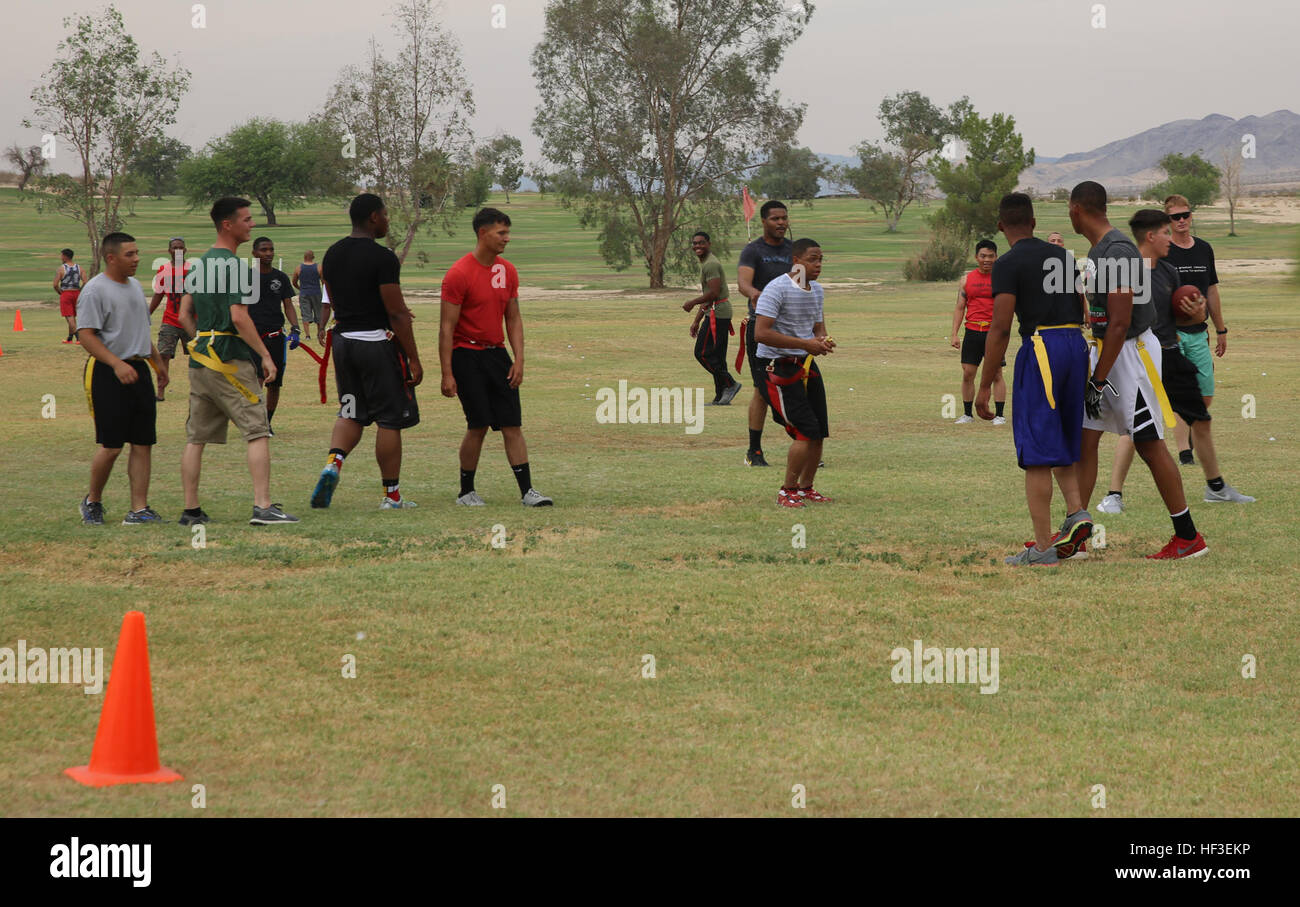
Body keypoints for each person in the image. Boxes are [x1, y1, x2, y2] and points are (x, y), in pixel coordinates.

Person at [1069, 181, 1206, 559]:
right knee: (1085, 440)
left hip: (1129, 357)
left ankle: (1188, 536)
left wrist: (1097, 381)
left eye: (1069, 210)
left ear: (1077, 209)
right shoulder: (1101, 250)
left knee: (1149, 444)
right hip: (1108, 353)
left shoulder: (1117, 250)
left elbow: (1119, 322)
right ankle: (1076, 534)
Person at [1097, 210, 1253, 513]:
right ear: (1151, 236)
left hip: (1169, 354)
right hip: (1140, 358)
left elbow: (1178, 318)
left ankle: (1216, 487)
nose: (1172, 238)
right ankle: (1113, 496)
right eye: (1166, 233)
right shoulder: (1126, 273)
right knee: (1136, 428)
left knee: (1201, 420)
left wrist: (1196, 314)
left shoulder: (1169, 272)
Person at [976, 194, 1091, 566]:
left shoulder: (1007, 264)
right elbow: (1079, 305)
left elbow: (1000, 327)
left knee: (1037, 451)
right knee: (1060, 436)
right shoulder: (1062, 256)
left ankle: (1042, 548)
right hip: (1076, 345)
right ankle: (1077, 513)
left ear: (1000, 226)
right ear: (1034, 220)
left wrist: (984, 385)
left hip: (1043, 347)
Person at [178, 196, 298, 526]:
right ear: (227, 225)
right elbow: (240, 318)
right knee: (257, 431)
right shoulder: (236, 268)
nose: (252, 224)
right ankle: (263, 507)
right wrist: (263, 356)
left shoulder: (200, 265)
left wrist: (200, 343)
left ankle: (191, 510)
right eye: (246, 219)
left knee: (196, 438)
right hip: (231, 361)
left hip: (201, 362)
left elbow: (183, 314)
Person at [311, 193, 422, 511]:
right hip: (375, 344)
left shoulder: (331, 255)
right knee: (389, 419)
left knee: (350, 411)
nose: (388, 220)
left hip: (343, 342)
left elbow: (336, 298)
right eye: (385, 215)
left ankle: (333, 463)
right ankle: (392, 496)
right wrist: (413, 357)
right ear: (373, 217)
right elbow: (397, 314)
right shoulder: (382, 258)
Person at [440, 207, 552, 507]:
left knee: (512, 424)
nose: (507, 239)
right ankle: (466, 492)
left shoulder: (508, 270)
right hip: (466, 355)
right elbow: (446, 327)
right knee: (477, 424)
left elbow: (513, 318)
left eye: (507, 232)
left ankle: (528, 491)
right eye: (501, 233)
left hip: (497, 355)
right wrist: (447, 373)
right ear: (482, 233)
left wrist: (519, 359)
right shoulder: (458, 273)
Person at [76, 232, 169, 525]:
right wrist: (116, 364)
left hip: (139, 371)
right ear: (111, 257)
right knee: (112, 444)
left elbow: (140, 329)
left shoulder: (133, 288)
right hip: (107, 372)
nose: (137, 259)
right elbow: (86, 335)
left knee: (143, 442)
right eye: (130, 254)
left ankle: (138, 510)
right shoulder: (95, 290)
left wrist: (157, 364)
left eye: (137, 252)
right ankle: (93, 501)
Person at [752, 238, 834, 508]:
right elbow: (761, 333)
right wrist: (805, 344)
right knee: (805, 430)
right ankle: (787, 490)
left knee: (819, 429)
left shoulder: (817, 290)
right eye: (813, 259)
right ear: (796, 261)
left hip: (806, 365)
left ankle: (806, 488)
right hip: (777, 367)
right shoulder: (777, 289)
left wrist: (821, 341)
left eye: (821, 259)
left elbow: (818, 328)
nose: (818, 264)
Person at [1163, 194, 1229, 467]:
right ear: (1167, 219)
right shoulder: (1163, 250)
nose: (1181, 220)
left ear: (1191, 216)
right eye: (1175, 217)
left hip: (1199, 332)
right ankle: (1184, 451)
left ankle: (1188, 435)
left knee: (1205, 395)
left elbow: (1211, 290)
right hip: (1173, 334)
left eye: (1185, 215)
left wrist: (1221, 329)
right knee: (1180, 394)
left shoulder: (1204, 248)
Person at [736, 200, 793, 466]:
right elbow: (743, 283)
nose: (781, 223)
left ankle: (806, 446)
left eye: (784, 218)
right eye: (775, 219)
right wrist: (754, 293)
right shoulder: (753, 251)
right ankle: (754, 451)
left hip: (792, 330)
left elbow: (805, 284)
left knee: (799, 384)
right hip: (762, 327)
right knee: (762, 390)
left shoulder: (795, 251)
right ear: (763, 221)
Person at [951, 239, 1006, 425]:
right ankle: (967, 414)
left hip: (994, 333)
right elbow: (960, 307)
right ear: (976, 257)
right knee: (968, 373)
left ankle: (1000, 415)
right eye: (983, 256)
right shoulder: (966, 280)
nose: (987, 260)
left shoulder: (1002, 278)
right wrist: (954, 334)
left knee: (997, 373)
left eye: (991, 256)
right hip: (973, 331)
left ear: (996, 257)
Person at [249, 237, 302, 429]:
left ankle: (267, 423)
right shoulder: (245, 277)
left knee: (275, 383)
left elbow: (288, 306)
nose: (269, 253)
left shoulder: (280, 278)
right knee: (257, 380)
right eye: (264, 250)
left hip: (275, 335)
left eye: (271, 249)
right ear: (254, 253)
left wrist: (295, 328)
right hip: (252, 336)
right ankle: (254, 421)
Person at [683, 231, 741, 405]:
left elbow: (714, 293)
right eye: (694, 243)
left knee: (702, 353)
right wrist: (696, 320)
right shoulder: (707, 263)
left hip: (719, 313)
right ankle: (720, 396)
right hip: (715, 311)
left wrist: (692, 302)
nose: (697, 246)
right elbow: (709, 296)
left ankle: (730, 383)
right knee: (717, 355)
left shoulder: (711, 264)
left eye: (701, 243)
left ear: (709, 244)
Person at [148, 237, 194, 402]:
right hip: (170, 320)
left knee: (199, 356)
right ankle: (160, 392)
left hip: (191, 321)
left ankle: (200, 392)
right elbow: (159, 294)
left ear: (185, 250)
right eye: (175, 248)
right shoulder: (164, 270)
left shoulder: (194, 269)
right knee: (163, 355)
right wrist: (146, 314)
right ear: (169, 251)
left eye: (181, 247)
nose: (178, 250)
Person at [55, 248, 83, 343]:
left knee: (69, 317)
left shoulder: (62, 268)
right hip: (77, 293)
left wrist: (59, 291)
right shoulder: (79, 268)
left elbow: (55, 284)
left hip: (66, 293)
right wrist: (80, 290)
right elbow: (86, 281)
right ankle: (70, 338)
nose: (61, 257)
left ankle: (79, 338)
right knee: (74, 316)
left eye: (62, 255)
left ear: (65, 256)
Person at [292, 250, 323, 340]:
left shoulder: (299, 268)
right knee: (319, 314)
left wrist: (300, 288)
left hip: (304, 293)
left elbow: (294, 282)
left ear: (304, 257)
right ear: (313, 257)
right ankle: (318, 334)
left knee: (305, 315)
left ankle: (307, 336)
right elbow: (323, 281)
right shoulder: (319, 267)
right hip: (316, 293)